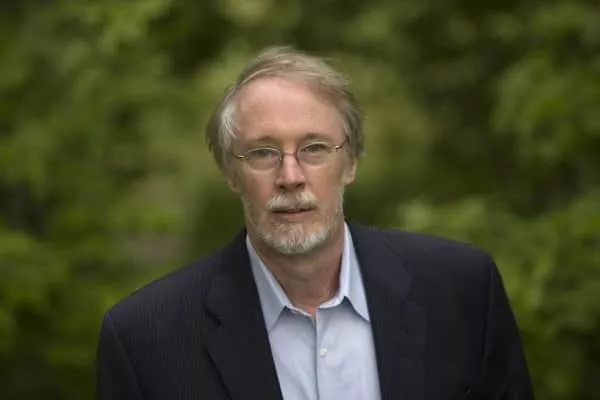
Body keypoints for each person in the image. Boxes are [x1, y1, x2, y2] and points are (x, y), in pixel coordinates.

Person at [96, 47, 534, 400]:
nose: (290, 177)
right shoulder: (146, 340)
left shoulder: (462, 292)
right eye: (263, 153)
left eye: (315, 148)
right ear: (231, 173)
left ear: (351, 163)